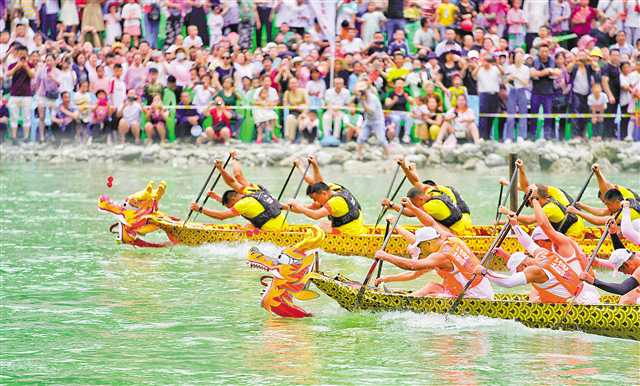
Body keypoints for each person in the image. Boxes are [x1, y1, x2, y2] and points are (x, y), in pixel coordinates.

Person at [490, 190, 600, 304]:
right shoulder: (545, 254)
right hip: (577, 294)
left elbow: (543, 224)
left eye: (537, 242)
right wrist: (515, 226)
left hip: (584, 298)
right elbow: (528, 245)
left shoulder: (563, 246)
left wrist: (534, 200)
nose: (536, 244)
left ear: (542, 240)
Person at [374, 226, 494, 299]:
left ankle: (406, 302)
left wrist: (386, 256)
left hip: (475, 295)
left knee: (431, 289)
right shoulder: (451, 241)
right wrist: (386, 279)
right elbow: (413, 275)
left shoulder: (440, 257)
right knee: (433, 286)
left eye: (420, 247)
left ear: (428, 244)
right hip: (482, 288)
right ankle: (409, 298)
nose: (420, 250)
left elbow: (412, 266)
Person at [191, 153, 288, 231]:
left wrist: (200, 209)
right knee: (248, 226)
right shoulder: (252, 190)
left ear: (233, 199)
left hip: (274, 230)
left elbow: (222, 216)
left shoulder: (242, 204)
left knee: (246, 228)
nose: (232, 208)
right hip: (283, 224)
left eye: (230, 206)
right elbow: (236, 178)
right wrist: (230, 162)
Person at [508, 159, 585, 238]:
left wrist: (507, 212)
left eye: (532, 205)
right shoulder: (547, 196)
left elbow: (529, 220)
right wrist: (520, 169)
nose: (534, 207)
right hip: (573, 223)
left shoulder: (550, 203)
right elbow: (525, 188)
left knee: (538, 231)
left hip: (573, 233)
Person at [383, 185, 472, 236]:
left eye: (414, 203)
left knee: (425, 223)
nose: (414, 205)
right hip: (465, 225)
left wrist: (392, 205)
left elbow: (411, 213)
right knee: (424, 220)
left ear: (420, 199)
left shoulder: (432, 206)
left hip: (459, 233)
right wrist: (392, 207)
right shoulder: (433, 191)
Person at [288, 181, 364, 235]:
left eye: (316, 198)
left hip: (349, 233)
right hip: (356, 225)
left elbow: (316, 215)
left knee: (320, 227)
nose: (315, 202)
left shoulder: (335, 201)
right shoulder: (335, 188)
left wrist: (299, 206)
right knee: (326, 223)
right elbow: (316, 181)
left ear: (324, 193)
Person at [7, 44, 35, 144]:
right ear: (17, 54)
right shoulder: (12, 65)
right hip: (14, 94)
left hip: (27, 95)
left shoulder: (31, 65)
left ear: (27, 54)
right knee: (13, 116)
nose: (22, 56)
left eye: (24, 54)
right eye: (20, 54)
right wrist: (17, 67)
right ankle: (14, 138)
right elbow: (8, 74)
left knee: (26, 116)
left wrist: (26, 66)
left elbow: (32, 75)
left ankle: (26, 137)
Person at [355, 82, 390, 160]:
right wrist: (361, 99)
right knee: (361, 138)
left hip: (378, 121)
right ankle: (359, 154)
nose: (361, 92)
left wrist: (363, 102)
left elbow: (371, 111)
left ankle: (387, 154)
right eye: (360, 91)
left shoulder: (373, 98)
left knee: (381, 139)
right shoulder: (360, 97)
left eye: (362, 91)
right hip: (368, 120)